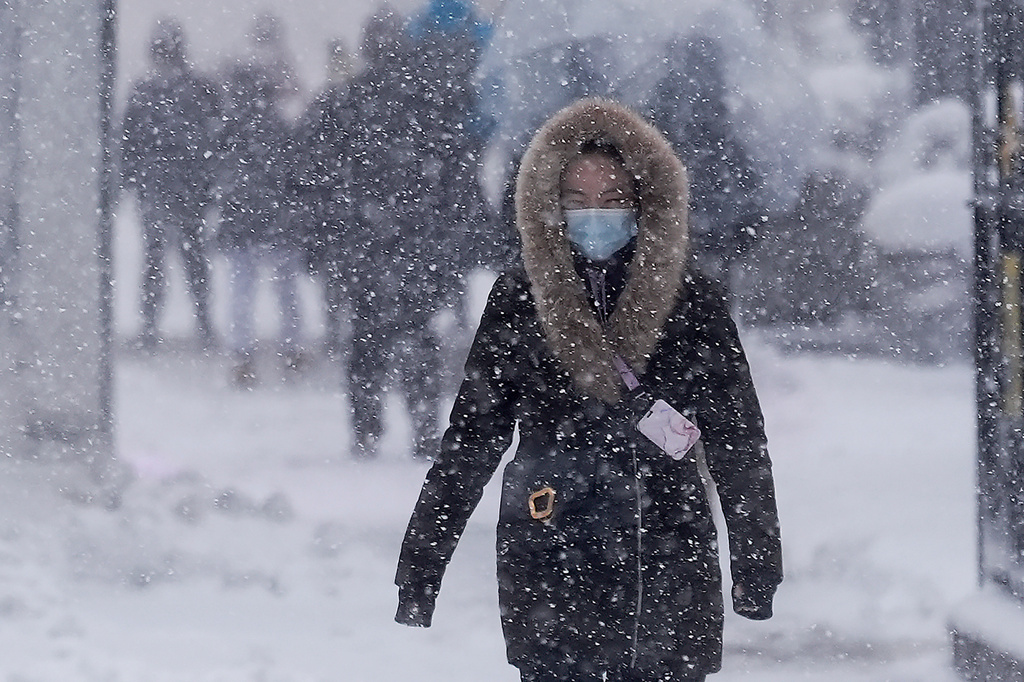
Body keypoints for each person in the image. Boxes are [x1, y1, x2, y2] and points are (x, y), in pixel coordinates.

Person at [395, 99, 783, 682]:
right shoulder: (519, 298)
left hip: (667, 549)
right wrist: (421, 566)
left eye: (611, 200)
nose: (593, 216)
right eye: (576, 201)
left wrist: (756, 566)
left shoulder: (692, 300)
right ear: (548, 207)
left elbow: (737, 439)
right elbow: (471, 439)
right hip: (551, 547)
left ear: (645, 204)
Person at [120, 19, 220, 350]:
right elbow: (214, 140)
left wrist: (128, 181)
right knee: (190, 260)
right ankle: (202, 323)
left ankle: (153, 326)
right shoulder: (199, 88)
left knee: (157, 259)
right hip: (187, 188)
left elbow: (129, 144)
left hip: (160, 187)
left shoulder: (145, 91)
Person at [215, 63, 295, 386]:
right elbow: (293, 172)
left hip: (240, 220)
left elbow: (217, 171)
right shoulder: (279, 125)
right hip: (276, 219)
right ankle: (292, 349)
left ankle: (241, 355)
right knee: (285, 286)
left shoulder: (230, 127)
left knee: (241, 288)